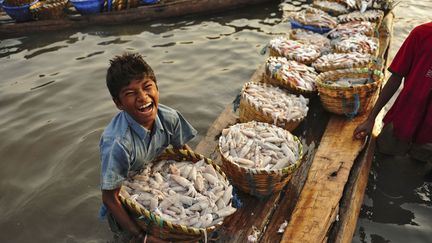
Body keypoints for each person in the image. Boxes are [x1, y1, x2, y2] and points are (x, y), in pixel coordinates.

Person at [99, 52, 197, 243]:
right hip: (125, 205)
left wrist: (196, 171)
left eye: (147, 87)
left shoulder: (170, 118)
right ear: (118, 103)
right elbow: (110, 198)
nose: (143, 97)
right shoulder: (118, 143)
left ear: (157, 89)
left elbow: (183, 150)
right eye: (130, 93)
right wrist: (141, 237)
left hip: (154, 180)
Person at [354, 21, 432, 163]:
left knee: (419, 166)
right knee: (382, 156)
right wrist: (371, 119)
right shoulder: (421, 34)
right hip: (403, 118)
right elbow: (396, 77)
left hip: (429, 134)